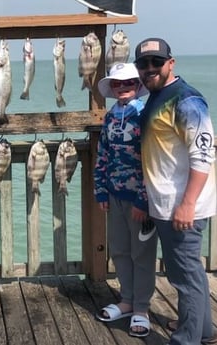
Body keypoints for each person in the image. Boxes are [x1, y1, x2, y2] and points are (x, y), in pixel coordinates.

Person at [134, 38, 216, 345]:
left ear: (171, 62)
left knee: (185, 277)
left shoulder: (187, 100)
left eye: (157, 62)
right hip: (166, 204)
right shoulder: (158, 95)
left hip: (183, 206)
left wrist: (188, 204)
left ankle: (186, 339)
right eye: (143, 64)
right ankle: (203, 331)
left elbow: (203, 154)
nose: (150, 68)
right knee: (187, 273)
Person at [94, 62, 157, 338]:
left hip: (140, 199)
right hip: (114, 194)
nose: (123, 88)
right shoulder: (110, 116)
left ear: (137, 85)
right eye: (117, 84)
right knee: (119, 250)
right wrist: (100, 190)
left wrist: (144, 200)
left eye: (128, 82)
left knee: (141, 254)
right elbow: (103, 154)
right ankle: (127, 300)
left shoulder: (146, 114)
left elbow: (152, 159)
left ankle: (142, 308)